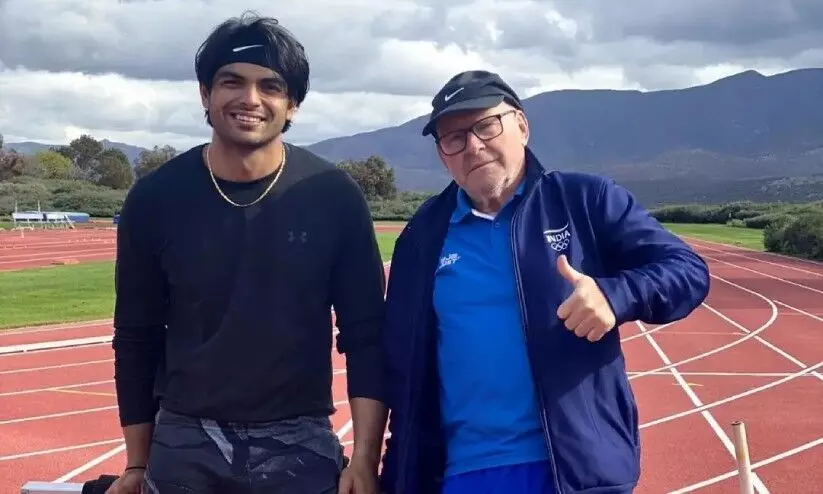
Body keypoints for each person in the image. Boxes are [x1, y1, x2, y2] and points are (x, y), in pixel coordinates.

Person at [377, 70, 711, 494]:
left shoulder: (584, 200)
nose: (473, 146)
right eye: (454, 137)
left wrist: (615, 294)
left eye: (485, 125)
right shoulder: (423, 236)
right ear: (443, 155)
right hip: (460, 474)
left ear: (521, 124)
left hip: (575, 473)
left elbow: (686, 270)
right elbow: (404, 366)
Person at [108, 12, 386, 494]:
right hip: (184, 438)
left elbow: (366, 338)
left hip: (299, 438)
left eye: (270, 86)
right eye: (231, 82)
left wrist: (363, 458)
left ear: (292, 104)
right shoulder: (154, 199)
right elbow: (136, 336)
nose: (250, 99)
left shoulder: (334, 196)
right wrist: (136, 464)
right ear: (205, 94)